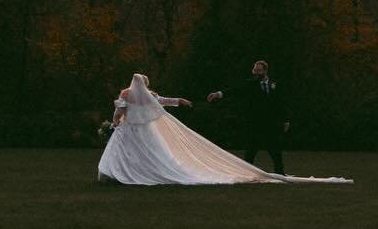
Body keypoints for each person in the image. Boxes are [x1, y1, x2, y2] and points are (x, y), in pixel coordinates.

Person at [96, 73, 348, 186]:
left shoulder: (126, 94)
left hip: (129, 131)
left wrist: (114, 125)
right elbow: (165, 101)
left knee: (129, 154)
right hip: (144, 132)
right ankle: (129, 174)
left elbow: (120, 112)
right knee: (151, 154)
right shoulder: (149, 95)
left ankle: (116, 175)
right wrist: (181, 101)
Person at [206, 59, 289, 174]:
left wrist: (285, 120)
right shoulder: (250, 84)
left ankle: (280, 172)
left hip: (271, 122)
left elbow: (281, 103)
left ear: (265, 71)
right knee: (251, 149)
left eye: (259, 70)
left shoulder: (275, 84)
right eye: (255, 70)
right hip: (255, 122)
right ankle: (246, 172)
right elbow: (235, 90)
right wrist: (219, 94)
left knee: (274, 149)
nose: (256, 73)